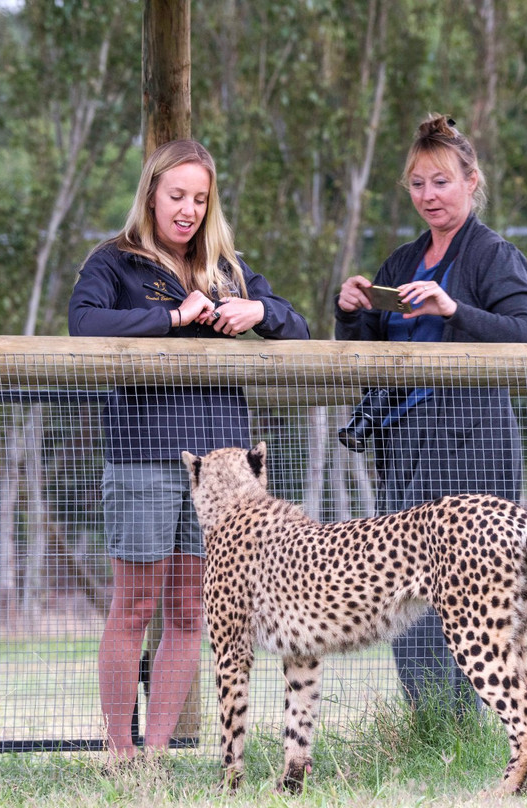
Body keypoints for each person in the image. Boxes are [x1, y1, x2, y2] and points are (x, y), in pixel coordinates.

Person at [68, 139, 309, 763]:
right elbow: (85, 324)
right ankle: (121, 754)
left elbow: (297, 325)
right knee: (135, 606)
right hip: (143, 454)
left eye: (200, 199)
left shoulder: (227, 264)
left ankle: (158, 750)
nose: (188, 210)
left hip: (223, 473)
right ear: (151, 193)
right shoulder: (113, 262)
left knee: (188, 612)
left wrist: (257, 309)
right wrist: (174, 319)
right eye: (177, 195)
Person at [335, 114, 527, 711]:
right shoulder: (400, 263)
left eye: (442, 182)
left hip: (474, 450)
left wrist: (453, 309)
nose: (429, 195)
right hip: (405, 453)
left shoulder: (495, 256)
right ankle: (430, 728)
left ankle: (470, 728)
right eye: (418, 184)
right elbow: (360, 356)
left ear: (472, 181)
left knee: (472, 600)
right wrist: (351, 310)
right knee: (403, 596)